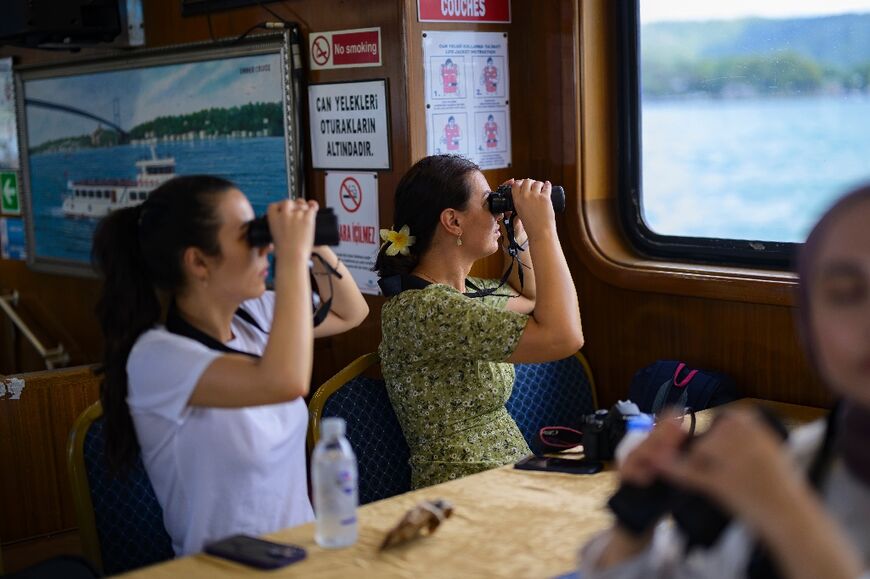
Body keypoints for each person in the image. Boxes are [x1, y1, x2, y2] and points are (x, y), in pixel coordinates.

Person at [579, 184, 870, 579]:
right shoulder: (799, 464)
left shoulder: (778, 486)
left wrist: (785, 512)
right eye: (845, 294)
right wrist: (636, 521)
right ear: (809, 326)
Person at [91, 175, 369, 556]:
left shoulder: (255, 316)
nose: (265, 248)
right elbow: (284, 381)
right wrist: (289, 254)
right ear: (198, 262)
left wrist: (312, 242)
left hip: (300, 557)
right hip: (224, 569)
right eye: (248, 236)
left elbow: (352, 312)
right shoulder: (156, 357)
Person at [374, 155, 583, 489]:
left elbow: (531, 298)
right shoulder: (423, 310)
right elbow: (564, 337)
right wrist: (545, 229)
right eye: (490, 204)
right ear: (453, 222)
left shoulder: (468, 293)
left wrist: (523, 233)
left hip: (505, 476)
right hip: (462, 487)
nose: (498, 213)